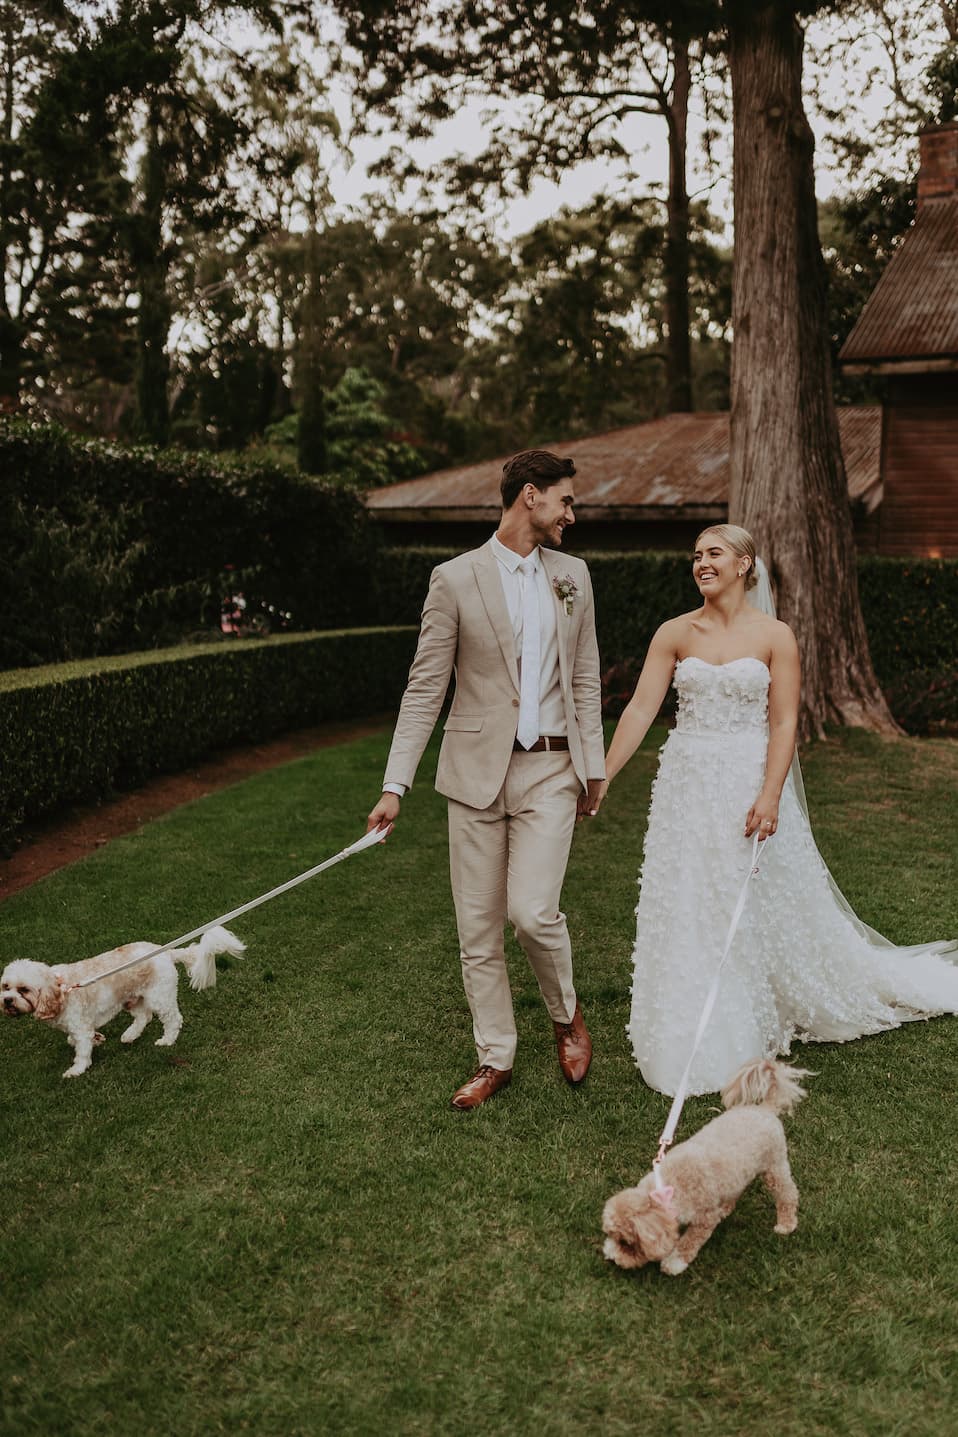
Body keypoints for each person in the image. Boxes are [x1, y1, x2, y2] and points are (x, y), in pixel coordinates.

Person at [597, 523, 958, 1097]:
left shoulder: (775, 636)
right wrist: (604, 774)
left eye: (713, 553)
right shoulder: (673, 632)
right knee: (687, 892)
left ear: (745, 565)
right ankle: (685, 1012)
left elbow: (784, 720)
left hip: (747, 776)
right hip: (687, 782)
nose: (701, 563)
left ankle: (744, 1012)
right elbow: (641, 710)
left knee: (749, 896)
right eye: (695, 556)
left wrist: (769, 794)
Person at [366, 450, 607, 1109]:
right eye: (564, 500)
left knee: (531, 912)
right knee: (477, 927)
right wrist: (396, 785)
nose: (571, 514)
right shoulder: (454, 579)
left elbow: (585, 677)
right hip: (473, 774)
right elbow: (425, 688)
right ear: (529, 495)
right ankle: (495, 1055)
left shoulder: (574, 577)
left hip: (552, 769)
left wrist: (595, 765)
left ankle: (566, 1015)